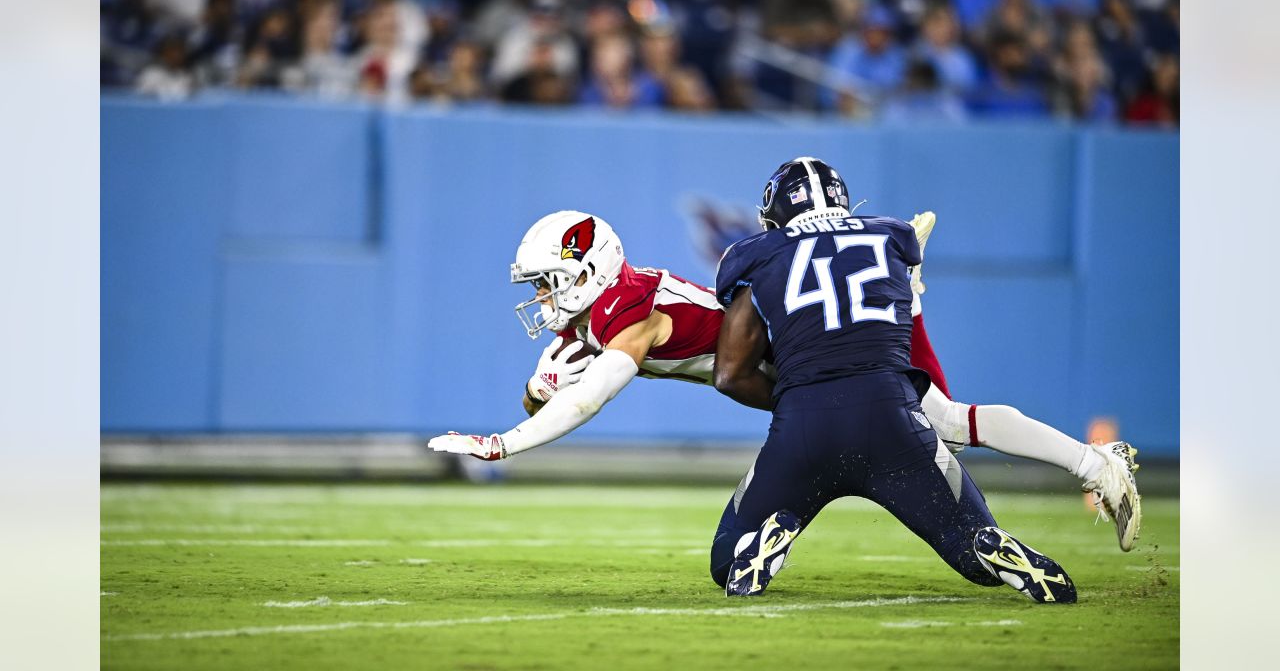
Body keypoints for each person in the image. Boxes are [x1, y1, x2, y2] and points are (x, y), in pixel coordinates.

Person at [427, 199, 1141, 553]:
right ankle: (1087, 465)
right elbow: (555, 381)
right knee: (939, 426)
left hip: (812, 353)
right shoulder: (601, 311)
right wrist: (534, 394)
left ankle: (1093, 463)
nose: (544, 300)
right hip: (800, 360)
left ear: (588, 272)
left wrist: (506, 443)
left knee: (943, 423)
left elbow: (592, 394)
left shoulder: (632, 312)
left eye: (551, 283)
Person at [709, 157, 1074, 601]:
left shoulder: (756, 255)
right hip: (892, 418)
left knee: (727, 559)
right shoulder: (891, 237)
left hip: (804, 426)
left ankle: (762, 544)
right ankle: (987, 545)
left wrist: (794, 398)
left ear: (777, 213)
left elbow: (728, 375)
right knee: (969, 544)